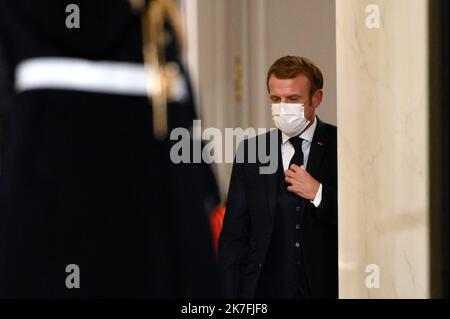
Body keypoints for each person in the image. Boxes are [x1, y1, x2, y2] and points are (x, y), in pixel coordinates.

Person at [0, 0, 219, 298]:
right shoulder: (158, 30)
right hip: (151, 265)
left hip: (38, 262)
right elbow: (195, 183)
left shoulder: (157, 28)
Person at [218, 55, 338, 299]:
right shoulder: (251, 152)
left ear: (316, 98)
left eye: (293, 99)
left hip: (325, 288)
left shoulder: (341, 145)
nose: (283, 107)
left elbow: (364, 221)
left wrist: (319, 193)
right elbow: (234, 240)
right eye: (276, 99)